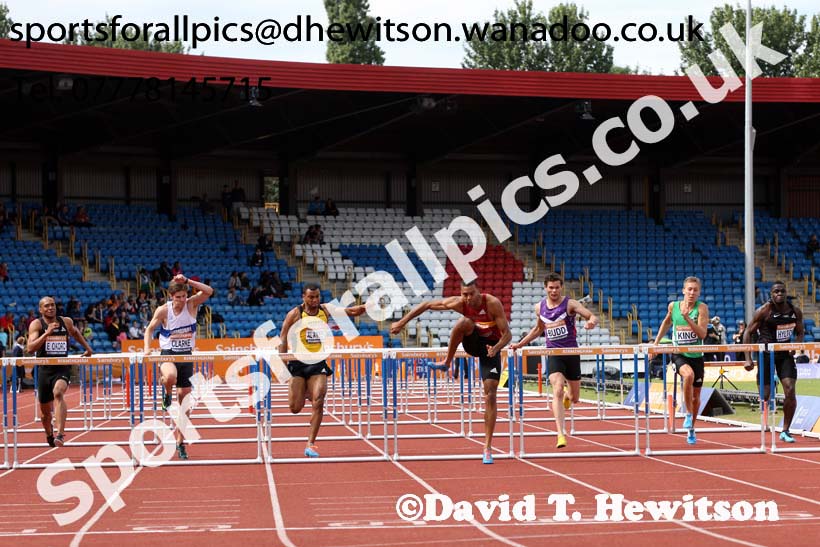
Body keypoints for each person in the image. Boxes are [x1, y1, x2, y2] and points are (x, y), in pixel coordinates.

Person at [390, 279, 512, 464]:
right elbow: (427, 304)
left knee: (490, 395)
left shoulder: (492, 303)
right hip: (473, 343)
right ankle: (447, 362)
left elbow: (508, 335)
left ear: (478, 291)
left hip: (492, 348)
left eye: (472, 293)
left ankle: (487, 448)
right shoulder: (459, 303)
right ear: (461, 294)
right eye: (465, 294)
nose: (469, 298)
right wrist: (402, 322)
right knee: (464, 322)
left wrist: (496, 349)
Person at [509, 273, 598, 450]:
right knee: (556, 388)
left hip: (571, 353)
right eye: (551, 287)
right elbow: (537, 329)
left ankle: (567, 395)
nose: (554, 290)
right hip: (554, 353)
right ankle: (560, 433)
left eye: (557, 287)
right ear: (545, 288)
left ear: (561, 287)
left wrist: (591, 323)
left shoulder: (570, 304)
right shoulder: (539, 307)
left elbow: (591, 316)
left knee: (575, 398)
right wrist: (519, 344)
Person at [279, 283, 367, 458]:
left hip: (318, 362)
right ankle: (304, 390)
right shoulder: (295, 313)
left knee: (319, 400)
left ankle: (310, 444)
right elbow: (283, 337)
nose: (314, 300)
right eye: (311, 297)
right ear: (303, 297)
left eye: (317, 296)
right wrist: (283, 365)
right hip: (298, 363)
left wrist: (365, 307)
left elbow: (350, 312)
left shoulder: (325, 310)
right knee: (295, 408)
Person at [144, 274, 214, 460]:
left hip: (186, 357)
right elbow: (150, 329)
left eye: (184, 296)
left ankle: (180, 443)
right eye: (178, 297)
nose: (182, 300)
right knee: (170, 377)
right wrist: (147, 349)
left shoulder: (191, 304)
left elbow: (209, 291)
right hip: (168, 355)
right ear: (171, 296)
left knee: (185, 405)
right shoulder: (163, 310)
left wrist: (188, 282)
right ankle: (166, 393)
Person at [742, 281, 804, 443]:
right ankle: (764, 419)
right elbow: (748, 332)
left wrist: (795, 346)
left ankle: (785, 430)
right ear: (771, 294)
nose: (779, 294)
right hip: (766, 354)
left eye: (782, 291)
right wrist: (748, 359)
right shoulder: (764, 311)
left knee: (790, 390)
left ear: (786, 293)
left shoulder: (794, 311)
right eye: (776, 291)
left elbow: (800, 331)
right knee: (765, 395)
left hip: (784, 355)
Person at [27, 296, 93, 447]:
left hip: (62, 367)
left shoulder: (66, 321)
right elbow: (30, 348)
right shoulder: (37, 324)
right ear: (40, 309)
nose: (50, 308)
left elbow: (75, 332)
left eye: (52, 305)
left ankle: (60, 434)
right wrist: (47, 333)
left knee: (58, 393)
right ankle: (49, 434)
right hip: (44, 369)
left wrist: (87, 348)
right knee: (45, 414)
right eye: (47, 306)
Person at [651, 276, 710, 445]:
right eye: (689, 289)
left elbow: (702, 334)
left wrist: (688, 318)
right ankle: (687, 414)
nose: (692, 293)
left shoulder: (702, 308)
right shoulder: (673, 306)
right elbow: (666, 322)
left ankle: (691, 427)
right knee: (688, 376)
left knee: (696, 397)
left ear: (699, 292)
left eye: (695, 290)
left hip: (696, 355)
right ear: (683, 291)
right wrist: (655, 344)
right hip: (679, 353)